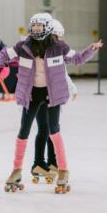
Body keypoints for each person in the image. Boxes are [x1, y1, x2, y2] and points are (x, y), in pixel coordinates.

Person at [0, 13, 103, 194]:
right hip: (32, 94)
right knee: (23, 131)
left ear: (48, 28)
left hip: (52, 95)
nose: (35, 30)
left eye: (39, 27)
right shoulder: (23, 46)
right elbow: (1, 56)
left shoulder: (59, 47)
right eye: (33, 26)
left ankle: (63, 170)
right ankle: (16, 170)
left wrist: (92, 48)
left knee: (54, 131)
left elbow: (78, 58)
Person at [32, 18, 78, 182]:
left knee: (49, 130)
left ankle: (50, 162)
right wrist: (72, 88)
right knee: (49, 129)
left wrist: (71, 88)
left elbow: (63, 72)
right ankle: (42, 162)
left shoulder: (53, 50)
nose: (60, 40)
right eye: (58, 37)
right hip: (43, 95)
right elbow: (62, 73)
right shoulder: (46, 50)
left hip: (51, 95)